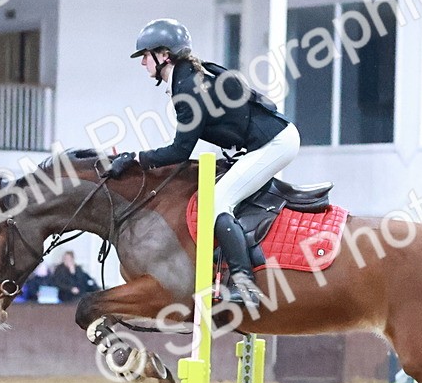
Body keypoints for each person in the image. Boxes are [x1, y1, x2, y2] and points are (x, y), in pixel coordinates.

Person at [104, 18, 300, 310]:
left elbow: (179, 151)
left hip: (274, 144)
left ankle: (245, 284)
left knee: (217, 202)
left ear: (164, 55)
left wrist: (136, 159)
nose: (143, 62)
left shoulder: (187, 89)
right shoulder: (189, 76)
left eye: (145, 55)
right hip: (261, 141)